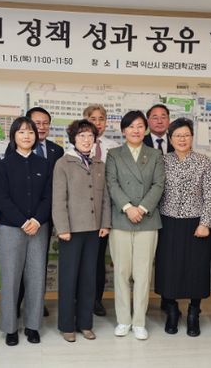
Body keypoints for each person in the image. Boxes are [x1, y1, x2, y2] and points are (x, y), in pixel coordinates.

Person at [106, 110, 165, 340]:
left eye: (140, 126)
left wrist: (141, 208)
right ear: (123, 130)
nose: (136, 130)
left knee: (143, 273)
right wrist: (127, 207)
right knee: (121, 272)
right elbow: (112, 183)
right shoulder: (114, 154)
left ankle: (139, 321)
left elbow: (159, 184)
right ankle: (123, 320)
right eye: (131, 126)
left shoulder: (155, 154)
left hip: (147, 220)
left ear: (146, 129)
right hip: (121, 219)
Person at [155, 118, 211, 337]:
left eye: (186, 135)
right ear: (170, 139)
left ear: (192, 138)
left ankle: (193, 312)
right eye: (177, 136)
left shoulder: (203, 161)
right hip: (167, 222)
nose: (182, 139)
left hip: (195, 223)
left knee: (196, 268)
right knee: (168, 267)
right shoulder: (162, 161)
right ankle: (171, 310)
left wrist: (205, 223)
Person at [0, 116, 52, 346]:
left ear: (36, 136)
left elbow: (49, 196)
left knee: (36, 278)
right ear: (13, 136)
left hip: (39, 228)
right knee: (10, 279)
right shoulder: (4, 164)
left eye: (30, 132)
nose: (26, 136)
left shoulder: (44, 164)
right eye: (21, 132)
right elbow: (1, 198)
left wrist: (37, 220)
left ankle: (32, 326)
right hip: (11, 228)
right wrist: (22, 221)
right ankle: (10, 328)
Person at [52, 119, 111, 342]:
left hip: (94, 230)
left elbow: (105, 198)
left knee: (89, 278)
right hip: (71, 231)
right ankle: (67, 325)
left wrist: (105, 223)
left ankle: (85, 323)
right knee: (69, 279)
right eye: (82, 136)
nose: (87, 140)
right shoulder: (63, 163)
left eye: (90, 136)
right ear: (74, 139)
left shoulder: (99, 164)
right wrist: (62, 228)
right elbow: (59, 199)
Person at [15, 106, 63, 318]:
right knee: (19, 262)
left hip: (45, 216)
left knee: (39, 262)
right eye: (36, 123)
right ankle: (16, 302)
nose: (41, 127)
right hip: (19, 218)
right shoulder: (15, 149)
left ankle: (36, 303)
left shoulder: (56, 151)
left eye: (45, 123)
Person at [83, 104, 120, 317]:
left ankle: (96, 299)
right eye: (93, 119)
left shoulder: (113, 147)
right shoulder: (76, 145)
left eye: (101, 119)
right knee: (82, 259)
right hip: (81, 212)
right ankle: (80, 299)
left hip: (104, 210)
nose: (97, 123)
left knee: (98, 258)